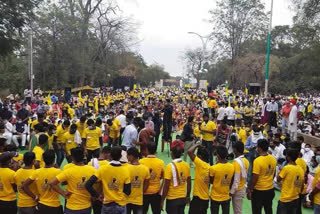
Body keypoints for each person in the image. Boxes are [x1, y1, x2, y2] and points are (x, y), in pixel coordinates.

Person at [50, 147, 96, 214]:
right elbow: (100, 182)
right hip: (86, 206)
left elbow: (52, 183)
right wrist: (95, 195)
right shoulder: (92, 170)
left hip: (71, 207)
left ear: (72, 158)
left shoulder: (68, 170)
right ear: (84, 156)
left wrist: (63, 193)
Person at [85, 146, 131, 214]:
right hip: (120, 204)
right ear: (120, 156)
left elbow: (88, 184)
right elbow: (128, 191)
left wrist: (97, 195)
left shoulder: (103, 169)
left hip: (107, 204)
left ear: (110, 155)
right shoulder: (126, 170)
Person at [22, 150, 63, 214]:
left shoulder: (37, 172)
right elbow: (65, 182)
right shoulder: (58, 172)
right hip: (55, 205)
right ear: (54, 160)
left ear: (43, 160)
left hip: (42, 205)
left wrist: (35, 197)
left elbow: (24, 186)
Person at [247, 139, 276, 214]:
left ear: (259, 148)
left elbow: (255, 177)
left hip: (259, 190)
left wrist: (250, 190)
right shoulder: (273, 159)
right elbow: (274, 173)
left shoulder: (257, 160)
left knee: (256, 210)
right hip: (270, 189)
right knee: (268, 209)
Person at [161, 145, 191, 214]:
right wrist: (188, 196)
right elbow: (189, 183)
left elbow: (166, 185)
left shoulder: (169, 166)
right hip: (182, 198)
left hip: (172, 199)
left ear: (172, 154)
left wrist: (162, 200)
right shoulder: (186, 165)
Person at [276, 149, 304, 214]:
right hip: (295, 199)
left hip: (285, 199)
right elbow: (302, 186)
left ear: (288, 157)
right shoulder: (300, 169)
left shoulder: (286, 168)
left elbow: (278, 179)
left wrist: (280, 170)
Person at [139, 143, 164, 214]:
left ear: (147, 150)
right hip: (156, 192)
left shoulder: (141, 161)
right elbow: (162, 177)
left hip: (144, 192)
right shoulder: (160, 162)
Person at [209, 146, 234, 214]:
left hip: (215, 197)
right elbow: (232, 180)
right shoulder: (231, 167)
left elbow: (211, 181)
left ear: (218, 156)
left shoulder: (213, 168)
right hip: (226, 196)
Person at [126, 147, 150, 214]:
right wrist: (141, 192)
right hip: (138, 200)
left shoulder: (125, 168)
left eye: (127, 156)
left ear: (131, 156)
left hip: (126, 200)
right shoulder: (145, 169)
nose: (127, 158)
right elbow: (146, 184)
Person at [187, 144, 210, 214]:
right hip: (206, 198)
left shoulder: (200, 164)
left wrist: (197, 145)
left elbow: (189, 152)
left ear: (200, 157)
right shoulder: (209, 167)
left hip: (198, 199)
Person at [230, 141, 249, 214]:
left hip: (237, 189)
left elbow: (236, 179)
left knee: (237, 211)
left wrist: (232, 192)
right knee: (238, 209)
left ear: (235, 150)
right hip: (243, 187)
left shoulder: (236, 162)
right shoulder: (246, 161)